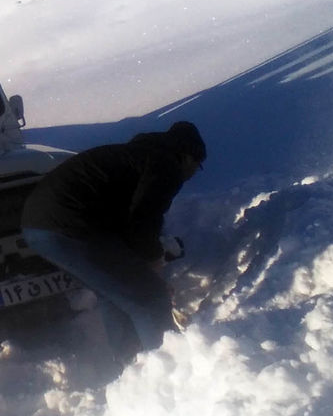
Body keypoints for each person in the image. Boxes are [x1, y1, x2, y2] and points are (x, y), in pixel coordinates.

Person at [21, 121, 206, 359]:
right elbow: (143, 219)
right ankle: (169, 375)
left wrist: (144, 264)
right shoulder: (166, 165)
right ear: (189, 157)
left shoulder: (136, 156)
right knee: (151, 298)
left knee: (117, 296)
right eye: (198, 166)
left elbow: (126, 224)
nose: (193, 174)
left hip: (38, 226)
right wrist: (153, 261)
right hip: (69, 224)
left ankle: (131, 370)